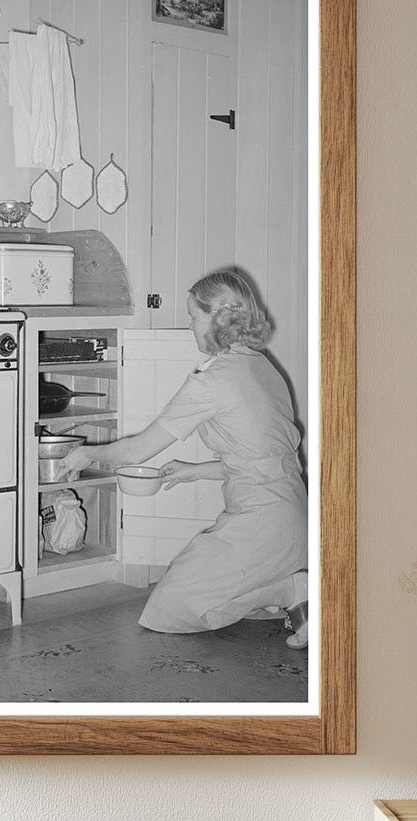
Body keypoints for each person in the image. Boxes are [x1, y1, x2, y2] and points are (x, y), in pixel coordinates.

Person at [56, 269, 308, 649]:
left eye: (193, 316)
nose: (190, 326)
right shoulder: (263, 366)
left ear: (217, 317)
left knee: (169, 607)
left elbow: (137, 451)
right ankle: (292, 595)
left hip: (262, 522)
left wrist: (87, 454)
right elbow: (263, 459)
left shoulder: (212, 380)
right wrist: (195, 471)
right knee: (217, 591)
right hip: (294, 515)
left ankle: (292, 589)